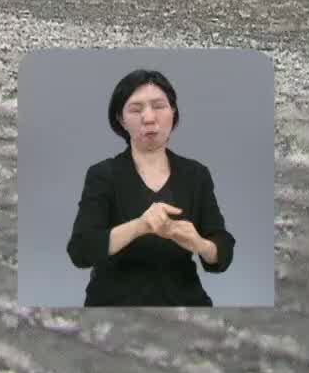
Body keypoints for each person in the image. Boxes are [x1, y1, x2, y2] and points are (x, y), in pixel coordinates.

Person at [65, 69, 235, 306]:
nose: (149, 117)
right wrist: (141, 225)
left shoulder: (196, 175)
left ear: (173, 113)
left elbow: (223, 250)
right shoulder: (102, 174)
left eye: (159, 106)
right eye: (136, 109)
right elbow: (81, 251)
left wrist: (201, 244)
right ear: (121, 119)